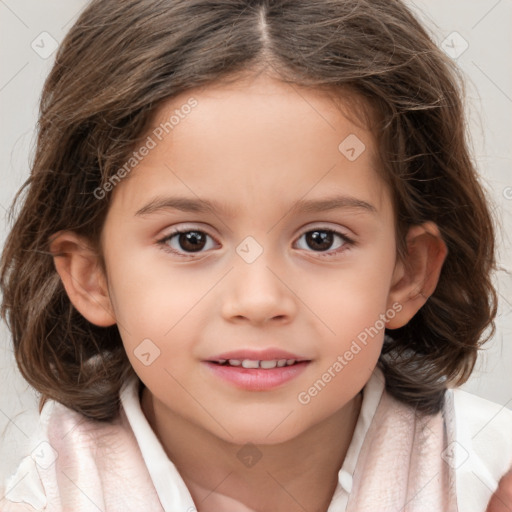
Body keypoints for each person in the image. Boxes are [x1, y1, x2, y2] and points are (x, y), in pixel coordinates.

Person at [0, 0, 511, 511]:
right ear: (93, 278)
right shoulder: (47, 494)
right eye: (190, 240)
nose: (259, 300)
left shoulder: (485, 478)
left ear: (408, 273)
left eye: (321, 239)